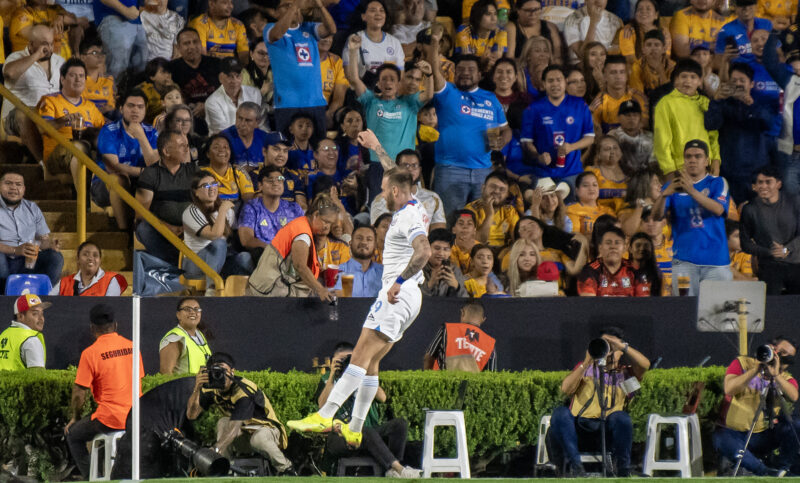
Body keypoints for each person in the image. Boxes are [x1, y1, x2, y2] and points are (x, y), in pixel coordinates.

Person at [287, 169, 431, 447]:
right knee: (372, 362)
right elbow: (400, 175)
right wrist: (377, 148)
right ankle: (355, 427)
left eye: (385, 189)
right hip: (410, 299)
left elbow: (423, 251)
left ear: (397, 192)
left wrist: (399, 281)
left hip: (397, 293)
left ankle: (325, 415)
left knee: (360, 356)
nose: (382, 193)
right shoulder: (415, 203)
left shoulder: (409, 215)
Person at [550, 327, 649, 477]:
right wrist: (586, 361)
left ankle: (623, 469)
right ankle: (576, 469)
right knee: (560, 413)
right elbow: (565, 389)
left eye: (612, 347)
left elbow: (644, 365)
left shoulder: (626, 375)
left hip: (607, 433)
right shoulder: (585, 369)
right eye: (604, 345)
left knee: (622, 417)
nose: (608, 351)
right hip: (579, 430)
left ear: (621, 352)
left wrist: (621, 346)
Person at [346, 32, 432, 201]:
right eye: (384, 79)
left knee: (407, 207)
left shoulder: (409, 103)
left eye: (392, 79)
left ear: (399, 83)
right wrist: (353, 51)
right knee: (379, 208)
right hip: (378, 165)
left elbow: (428, 95)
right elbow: (354, 79)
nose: (388, 83)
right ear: (378, 83)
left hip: (404, 166)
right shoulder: (370, 101)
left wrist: (429, 76)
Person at [316, 342, 419, 477]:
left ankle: (392, 469)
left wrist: (363, 371)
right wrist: (332, 377)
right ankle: (399, 469)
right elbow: (322, 406)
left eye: (350, 359)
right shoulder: (327, 379)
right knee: (360, 429)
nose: (346, 363)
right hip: (339, 438)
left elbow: (382, 397)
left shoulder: (364, 376)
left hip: (370, 435)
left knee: (399, 424)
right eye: (342, 360)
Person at [65, 304, 143, 480]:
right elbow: (139, 380)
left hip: (110, 419)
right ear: (115, 325)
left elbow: (79, 392)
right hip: (136, 417)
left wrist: (75, 418)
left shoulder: (90, 353)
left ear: (92, 328)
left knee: (73, 434)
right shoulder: (132, 347)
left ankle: (92, 477)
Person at [430, 45, 511, 215]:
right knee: (449, 221)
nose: (465, 72)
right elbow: (435, 71)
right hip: (450, 169)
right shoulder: (447, 92)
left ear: (480, 75)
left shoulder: (491, 98)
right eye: (461, 69)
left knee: (481, 221)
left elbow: (506, 129)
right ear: (454, 73)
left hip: (483, 171)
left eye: (471, 69)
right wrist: (435, 42)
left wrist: (502, 140)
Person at [186, 352, 294, 474]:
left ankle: (287, 468)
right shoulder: (211, 388)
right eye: (214, 371)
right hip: (244, 434)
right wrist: (197, 388)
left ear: (232, 371)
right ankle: (222, 468)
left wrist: (215, 449)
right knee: (223, 422)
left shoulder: (243, 390)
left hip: (267, 431)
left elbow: (235, 427)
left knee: (258, 438)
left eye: (222, 369)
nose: (218, 374)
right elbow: (191, 415)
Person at [653, 139, 732, 296]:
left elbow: (719, 210)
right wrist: (663, 195)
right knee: (685, 313)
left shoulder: (717, 182)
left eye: (698, 156)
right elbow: (656, 216)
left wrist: (692, 191)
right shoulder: (672, 185)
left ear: (707, 161)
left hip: (716, 262)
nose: (692, 160)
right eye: (688, 157)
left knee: (716, 313)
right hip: (684, 261)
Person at [712, 336, 799, 476]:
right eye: (780, 352)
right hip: (733, 432)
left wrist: (776, 375)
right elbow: (729, 389)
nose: (781, 359)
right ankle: (766, 472)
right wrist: (755, 370)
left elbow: (793, 396)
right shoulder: (742, 363)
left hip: (763, 435)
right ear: (771, 348)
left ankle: (784, 467)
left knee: (795, 424)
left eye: (787, 359)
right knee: (721, 439)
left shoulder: (786, 378)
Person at [704, 62, 774, 204]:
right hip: (730, 174)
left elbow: (768, 124)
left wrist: (750, 105)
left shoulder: (759, 105)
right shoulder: (723, 105)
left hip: (755, 174)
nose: (738, 84)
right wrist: (717, 100)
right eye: (734, 80)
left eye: (742, 80)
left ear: (751, 84)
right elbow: (710, 124)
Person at [247, 193, 338, 299]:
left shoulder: (301, 224)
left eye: (330, 224)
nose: (327, 227)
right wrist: (320, 289)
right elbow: (300, 266)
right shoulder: (303, 234)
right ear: (316, 215)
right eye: (326, 222)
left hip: (270, 287)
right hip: (270, 290)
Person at [521, 65, 595, 195]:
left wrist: (572, 147)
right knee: (543, 211)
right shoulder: (533, 109)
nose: (555, 84)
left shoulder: (579, 105)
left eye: (558, 80)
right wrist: (538, 157)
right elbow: (527, 142)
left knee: (570, 211)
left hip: (572, 172)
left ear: (565, 82)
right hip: (543, 173)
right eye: (550, 81)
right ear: (543, 84)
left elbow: (590, 137)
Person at [265, 0, 336, 135]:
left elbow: (331, 29)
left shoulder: (309, 28)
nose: (293, 9)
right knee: (288, 150)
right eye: (286, 5)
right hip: (287, 104)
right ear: (276, 13)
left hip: (315, 102)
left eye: (294, 5)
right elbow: (276, 35)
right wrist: (296, 5)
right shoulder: (269, 28)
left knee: (318, 148)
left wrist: (319, 5)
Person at [94, 89, 160, 231]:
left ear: (145, 110)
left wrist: (141, 137)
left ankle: (141, 231)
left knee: (154, 184)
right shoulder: (109, 130)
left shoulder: (151, 132)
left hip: (139, 183)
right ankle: (125, 232)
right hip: (104, 185)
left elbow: (155, 166)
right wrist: (144, 172)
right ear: (121, 108)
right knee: (120, 179)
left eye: (140, 107)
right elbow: (114, 167)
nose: (135, 110)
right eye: (130, 106)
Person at [38, 58, 105, 191]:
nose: (78, 79)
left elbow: (104, 131)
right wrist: (64, 119)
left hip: (83, 150)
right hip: (57, 155)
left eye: (81, 76)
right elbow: (42, 128)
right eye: (73, 75)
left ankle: (92, 200)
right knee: (79, 147)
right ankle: (85, 203)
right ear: (62, 79)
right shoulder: (50, 101)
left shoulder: (90, 106)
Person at [135, 131, 199, 265]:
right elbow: (141, 213)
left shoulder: (194, 171)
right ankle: (173, 264)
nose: (187, 149)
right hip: (161, 230)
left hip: (191, 229)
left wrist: (187, 227)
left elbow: (205, 204)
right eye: (182, 145)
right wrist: (167, 228)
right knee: (143, 229)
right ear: (166, 151)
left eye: (187, 145)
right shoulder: (150, 173)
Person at [2, 25, 64, 164]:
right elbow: (9, 73)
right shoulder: (16, 57)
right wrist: (36, 56)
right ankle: (44, 165)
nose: (48, 48)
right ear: (31, 44)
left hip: (48, 115)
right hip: (17, 118)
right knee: (23, 113)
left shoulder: (59, 61)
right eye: (43, 44)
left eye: (51, 43)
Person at [182, 171, 253, 293]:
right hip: (194, 265)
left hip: (219, 264)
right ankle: (212, 291)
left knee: (245, 258)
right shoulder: (191, 212)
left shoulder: (226, 211)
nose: (212, 189)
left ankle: (242, 295)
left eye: (214, 184)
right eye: (205, 186)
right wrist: (222, 210)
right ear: (196, 192)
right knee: (219, 243)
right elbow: (215, 235)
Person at [653, 59, 720, 180]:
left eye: (693, 77)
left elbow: (713, 136)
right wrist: (669, 170)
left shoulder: (706, 103)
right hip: (680, 170)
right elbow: (661, 142)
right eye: (683, 76)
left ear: (700, 81)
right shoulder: (665, 104)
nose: (688, 81)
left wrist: (716, 160)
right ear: (675, 80)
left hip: (706, 168)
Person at [740, 167, 800, 294]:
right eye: (759, 182)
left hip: (796, 263)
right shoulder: (749, 210)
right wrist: (769, 252)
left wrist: (786, 249)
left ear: (778, 184)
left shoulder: (795, 202)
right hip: (769, 266)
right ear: (753, 187)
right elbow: (745, 244)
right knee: (772, 308)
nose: (763, 186)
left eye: (768, 182)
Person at [0, 170, 64, 289]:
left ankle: (42, 291)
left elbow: (42, 239)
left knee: (55, 257)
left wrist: (49, 244)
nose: (14, 187)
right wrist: (15, 250)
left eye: (18, 184)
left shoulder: (32, 208)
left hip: (28, 261)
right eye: (8, 183)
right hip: (4, 261)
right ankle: (5, 293)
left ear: (23, 189)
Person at [369, 144, 447, 230]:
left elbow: (439, 232)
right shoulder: (382, 200)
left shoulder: (432, 198)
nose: (410, 169)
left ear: (420, 170)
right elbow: (378, 233)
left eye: (414, 165)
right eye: (405, 165)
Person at [238, 165, 305, 260]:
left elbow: (304, 236)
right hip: (263, 256)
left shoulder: (294, 209)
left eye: (279, 179)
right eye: (270, 180)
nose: (275, 183)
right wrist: (273, 250)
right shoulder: (251, 207)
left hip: (290, 256)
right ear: (260, 186)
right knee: (244, 258)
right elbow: (247, 240)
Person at [577, 226, 651, 296]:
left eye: (617, 242)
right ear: (600, 247)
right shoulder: (589, 271)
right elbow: (589, 305)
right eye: (608, 243)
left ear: (625, 247)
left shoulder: (637, 271)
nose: (613, 247)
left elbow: (643, 304)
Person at [167, 28, 222, 122]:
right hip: (184, 118)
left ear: (201, 44)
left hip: (216, 114)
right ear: (178, 47)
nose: (192, 46)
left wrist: (208, 106)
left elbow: (227, 93)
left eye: (195, 42)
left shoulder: (217, 64)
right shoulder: (171, 68)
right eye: (186, 43)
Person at [424, 301, 496, 371]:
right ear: (483, 320)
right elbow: (491, 376)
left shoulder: (446, 329)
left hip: (443, 382)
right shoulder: (490, 344)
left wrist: (427, 379)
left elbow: (428, 357)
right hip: (473, 383)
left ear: (462, 312)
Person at [342, 0, 405, 79]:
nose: (378, 14)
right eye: (373, 10)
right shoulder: (354, 39)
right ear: (363, 16)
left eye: (382, 11)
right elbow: (349, 75)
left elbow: (401, 76)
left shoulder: (395, 42)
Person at [589, 55, 648, 134]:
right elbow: (595, 132)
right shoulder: (600, 101)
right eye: (613, 72)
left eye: (622, 72)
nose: (618, 77)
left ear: (627, 76)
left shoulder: (637, 97)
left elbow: (645, 126)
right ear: (605, 76)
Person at [205, 58, 262, 135]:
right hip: (225, 144)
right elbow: (224, 134)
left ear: (242, 77)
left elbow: (261, 124)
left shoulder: (254, 93)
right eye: (230, 76)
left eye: (237, 76)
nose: (235, 81)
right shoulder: (212, 102)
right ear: (220, 78)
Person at [93, 0, 148, 79]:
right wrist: (125, 10)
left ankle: (135, 90)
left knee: (144, 61)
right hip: (111, 15)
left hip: (138, 19)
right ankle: (111, 89)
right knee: (118, 64)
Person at [465, 171, 520, 249]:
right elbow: (478, 241)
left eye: (502, 189)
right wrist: (490, 215)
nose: (497, 191)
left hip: (502, 252)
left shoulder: (509, 210)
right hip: (478, 252)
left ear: (507, 194)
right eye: (493, 187)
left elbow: (518, 239)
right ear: (483, 188)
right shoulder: (471, 209)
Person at [52, 240, 127, 296]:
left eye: (95, 255)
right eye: (85, 254)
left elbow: (110, 309)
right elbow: (48, 303)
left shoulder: (111, 280)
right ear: (78, 259)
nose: (90, 258)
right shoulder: (64, 282)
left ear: (100, 260)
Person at [159, 297, 212, 374]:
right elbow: (165, 373)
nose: (193, 312)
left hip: (201, 385)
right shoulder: (174, 338)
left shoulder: (200, 335)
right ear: (178, 315)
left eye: (196, 309)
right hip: (185, 385)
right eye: (187, 309)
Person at [201, 134, 255, 206]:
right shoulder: (202, 173)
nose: (222, 150)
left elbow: (249, 195)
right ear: (208, 154)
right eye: (216, 147)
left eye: (225, 147)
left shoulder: (238, 171)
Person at [454, 0, 507, 72]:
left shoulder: (501, 31)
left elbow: (496, 58)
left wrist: (485, 61)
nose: (494, 19)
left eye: (495, 14)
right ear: (477, 17)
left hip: (490, 70)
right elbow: (468, 60)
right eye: (488, 14)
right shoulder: (464, 30)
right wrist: (481, 60)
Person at [0, 294, 50, 370]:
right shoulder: (31, 340)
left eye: (42, 314)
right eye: (35, 314)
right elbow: (38, 377)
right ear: (20, 316)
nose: (41, 318)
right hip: (18, 382)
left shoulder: (4, 334)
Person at [332, 226, 384, 297]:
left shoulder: (385, 273)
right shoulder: (338, 271)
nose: (364, 242)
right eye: (359, 238)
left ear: (375, 245)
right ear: (350, 243)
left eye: (369, 239)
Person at [262, 131, 308, 210]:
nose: (281, 155)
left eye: (285, 151)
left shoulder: (294, 177)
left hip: (290, 219)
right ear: (264, 151)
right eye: (276, 149)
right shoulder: (254, 175)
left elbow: (302, 206)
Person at [221, 102, 268, 176]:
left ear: (257, 122)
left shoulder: (265, 138)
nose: (242, 124)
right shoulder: (224, 137)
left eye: (248, 120)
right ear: (236, 116)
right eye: (240, 118)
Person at [608, 99, 655, 172]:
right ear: (619, 118)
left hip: (645, 176)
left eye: (635, 115)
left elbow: (653, 162)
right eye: (627, 115)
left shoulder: (649, 136)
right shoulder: (613, 136)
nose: (631, 118)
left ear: (640, 118)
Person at [586, 135, 629, 213]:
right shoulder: (592, 171)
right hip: (600, 215)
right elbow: (586, 194)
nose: (612, 152)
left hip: (626, 214)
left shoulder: (629, 172)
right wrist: (621, 193)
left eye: (615, 148)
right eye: (607, 149)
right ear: (598, 154)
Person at [422, 228, 468, 296]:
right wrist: (430, 284)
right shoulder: (419, 269)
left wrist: (457, 286)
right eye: (437, 248)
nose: (441, 253)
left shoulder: (455, 270)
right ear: (428, 248)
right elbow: (412, 299)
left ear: (450, 252)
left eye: (446, 249)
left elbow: (465, 300)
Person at [567, 171, 615, 236]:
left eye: (594, 185)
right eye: (585, 185)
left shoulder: (608, 211)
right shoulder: (571, 210)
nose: (591, 188)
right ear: (577, 190)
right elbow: (575, 236)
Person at [628, 29, 674, 96]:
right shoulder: (637, 67)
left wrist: (660, 71)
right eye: (649, 45)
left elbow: (671, 95)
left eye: (657, 45)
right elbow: (637, 95)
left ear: (664, 49)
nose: (653, 48)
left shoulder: (672, 66)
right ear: (643, 49)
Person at [79, 37, 116, 117]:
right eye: (95, 53)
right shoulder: (77, 80)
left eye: (102, 53)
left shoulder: (109, 80)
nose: (100, 56)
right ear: (83, 57)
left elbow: (111, 106)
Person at [318, 34, 347, 125]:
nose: (327, 40)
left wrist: (329, 114)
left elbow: (339, 98)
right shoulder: (301, 60)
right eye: (322, 35)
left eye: (330, 36)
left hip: (323, 110)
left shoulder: (337, 62)